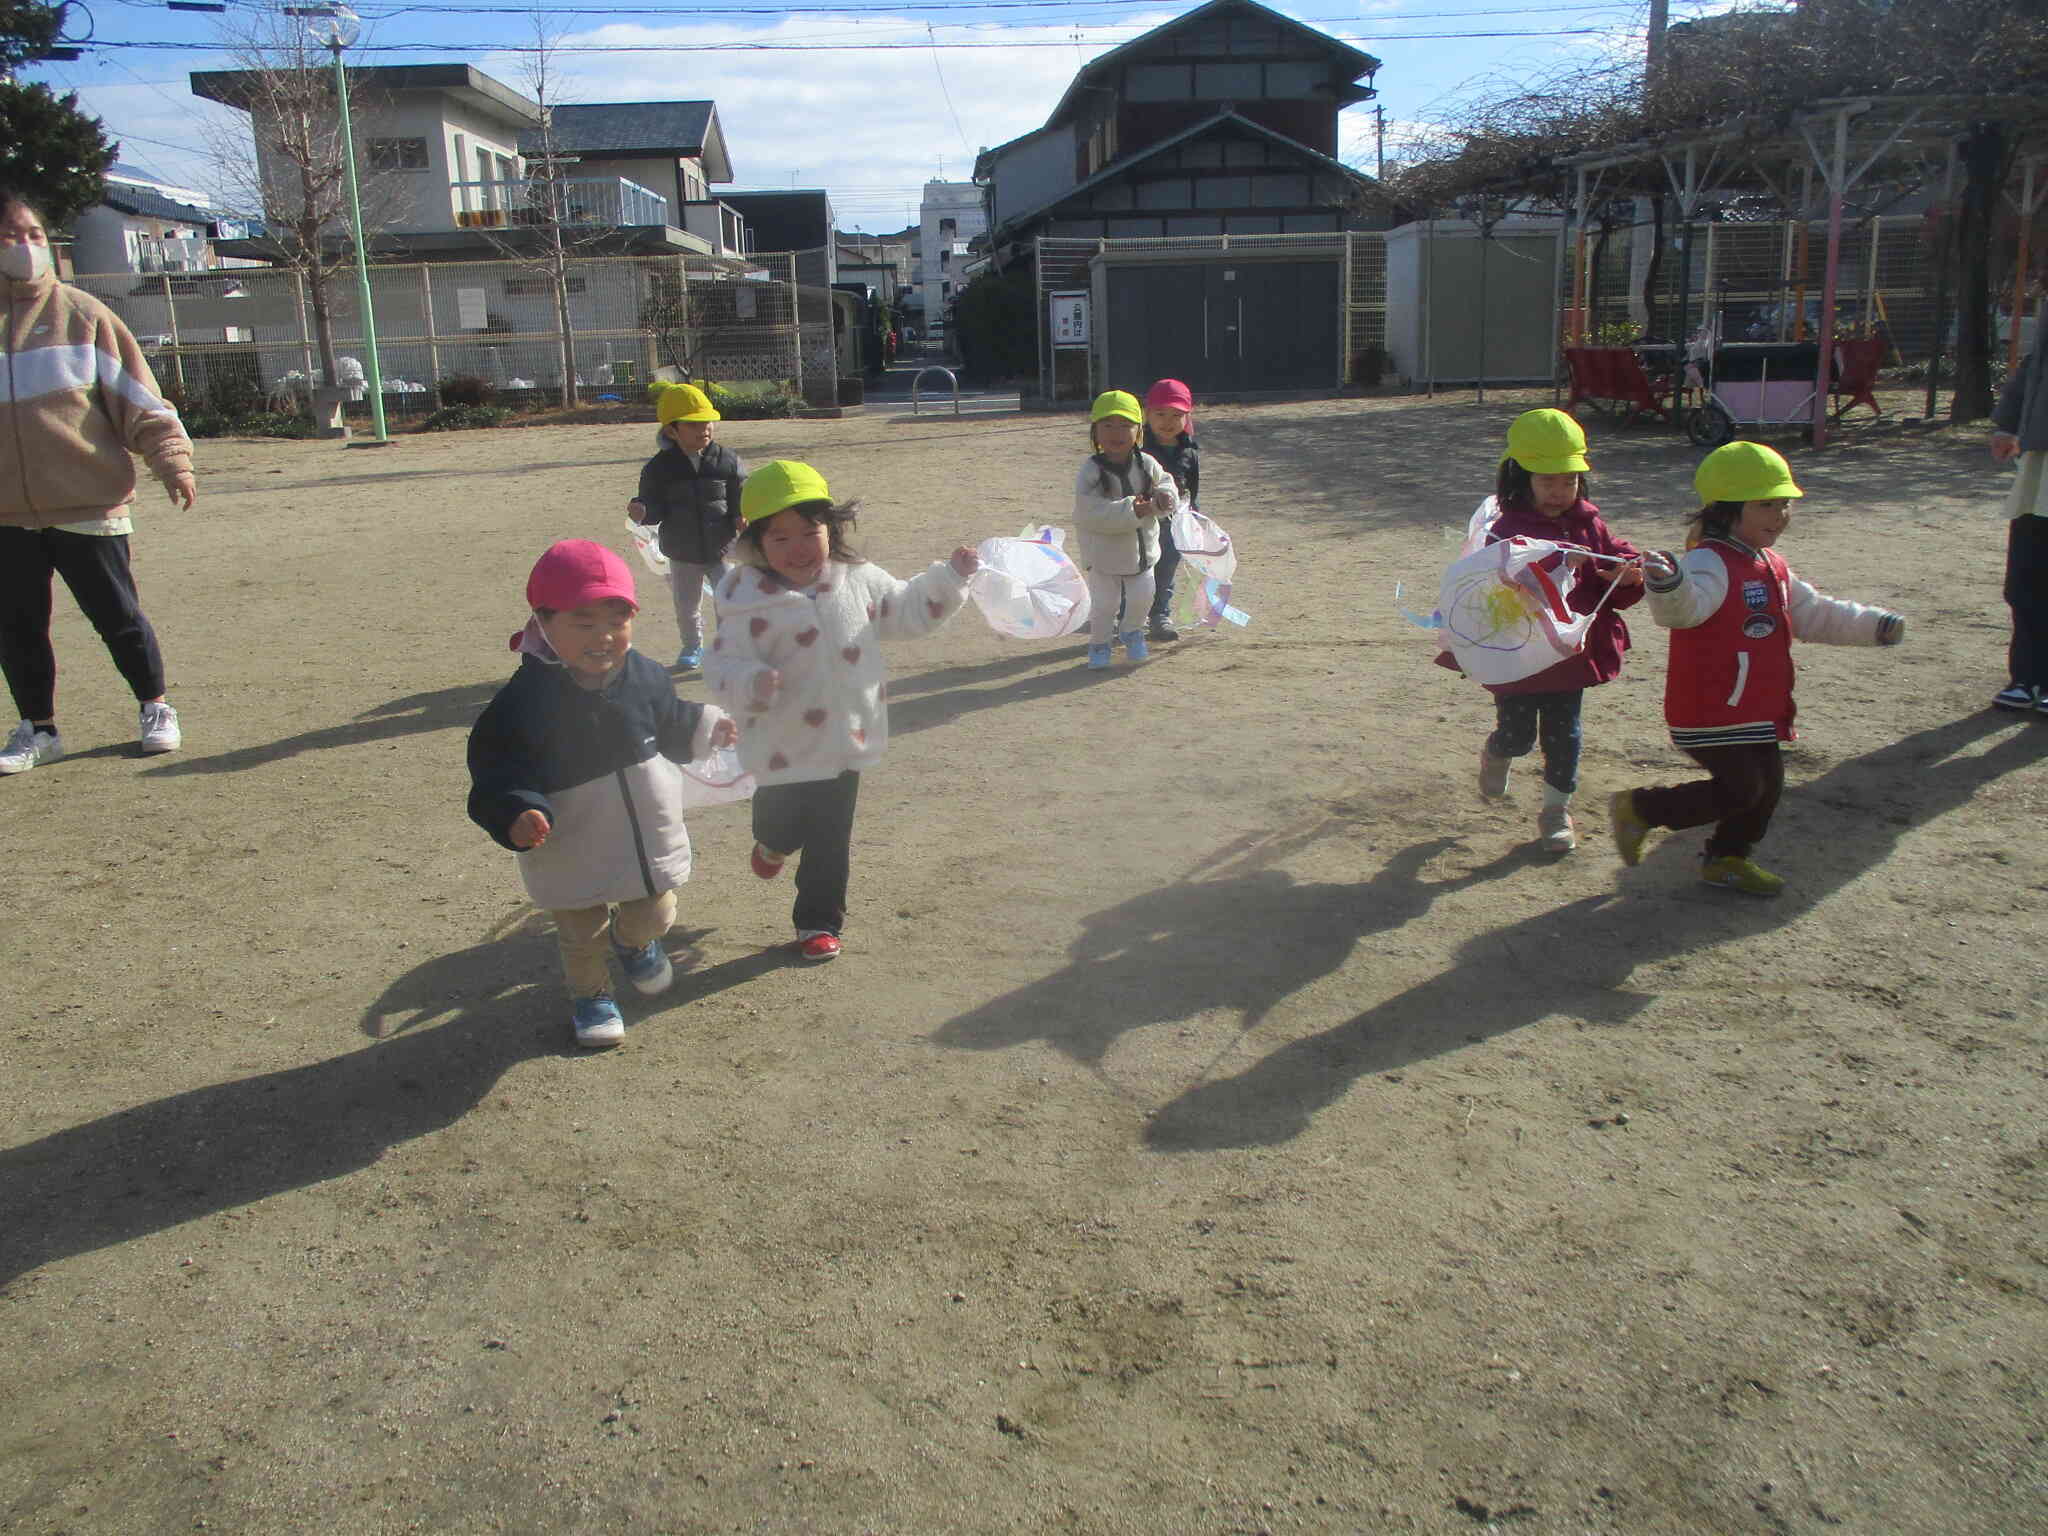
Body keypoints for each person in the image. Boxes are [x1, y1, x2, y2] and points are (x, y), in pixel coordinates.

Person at [706, 460, 978, 961]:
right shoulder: (743, 599)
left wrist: (949, 577)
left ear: (831, 527)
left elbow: (907, 611)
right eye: (780, 539)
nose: (799, 549)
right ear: (754, 541)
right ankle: (771, 845)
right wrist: (750, 681)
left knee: (831, 836)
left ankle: (818, 921)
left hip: (844, 737)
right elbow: (720, 663)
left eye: (810, 532)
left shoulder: (857, 578)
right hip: (781, 744)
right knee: (782, 825)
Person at [467, 539, 735, 1048]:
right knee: (580, 935)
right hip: (569, 842)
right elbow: (496, 772)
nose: (604, 636)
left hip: (642, 838)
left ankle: (632, 942)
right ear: (543, 624)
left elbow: (672, 722)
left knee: (657, 912)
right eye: (583, 623)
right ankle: (591, 997)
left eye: (617, 620)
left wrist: (707, 727)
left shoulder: (645, 675)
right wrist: (516, 811)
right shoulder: (522, 704)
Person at [1610, 442, 1906, 896]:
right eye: (1765, 504)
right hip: (1710, 705)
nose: (1780, 514)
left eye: (1784, 503)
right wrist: (1668, 584)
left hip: (1759, 705)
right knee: (1742, 788)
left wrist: (1873, 626)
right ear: (1727, 508)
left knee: (1767, 789)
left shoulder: (1771, 564)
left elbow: (1814, 613)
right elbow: (1682, 612)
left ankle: (1727, 858)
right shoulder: (1709, 560)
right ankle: (1643, 809)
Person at [0, 186, 197, 775]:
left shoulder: (84, 315)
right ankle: (39, 728)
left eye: (35, 235)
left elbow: (139, 400)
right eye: (12, 236)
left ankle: (155, 706)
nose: (26, 247)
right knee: (18, 627)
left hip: (90, 502)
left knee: (117, 615)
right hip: (6, 513)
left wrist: (172, 459)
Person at [1469, 409, 1645, 854]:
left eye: (1568, 480)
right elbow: (1501, 582)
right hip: (1521, 653)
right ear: (1521, 478)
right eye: (1547, 481)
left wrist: (1627, 571)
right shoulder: (1506, 530)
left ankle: (1555, 812)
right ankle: (1498, 751)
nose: (1559, 491)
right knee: (1519, 733)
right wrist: (1559, 562)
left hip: (1570, 652)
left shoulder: (1590, 523)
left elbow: (1614, 553)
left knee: (1564, 733)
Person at [627, 381, 744, 672]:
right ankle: (692, 646)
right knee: (686, 606)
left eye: (707, 422)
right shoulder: (658, 468)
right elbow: (654, 508)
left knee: (727, 600)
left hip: (720, 546)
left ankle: (729, 647)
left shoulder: (727, 460)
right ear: (671, 431)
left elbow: (740, 493)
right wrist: (642, 511)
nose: (704, 429)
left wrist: (741, 515)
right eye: (694, 425)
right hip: (681, 550)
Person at [1072, 390, 1180, 670]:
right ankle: (1099, 643)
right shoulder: (1091, 470)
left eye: (1125, 425)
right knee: (1105, 606)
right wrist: (1134, 510)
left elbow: (1166, 484)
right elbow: (1088, 513)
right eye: (1107, 425)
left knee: (1143, 600)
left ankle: (1131, 632)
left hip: (1143, 554)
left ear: (1139, 432)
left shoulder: (1147, 463)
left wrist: (1166, 498)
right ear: (1095, 432)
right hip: (1104, 558)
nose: (1116, 433)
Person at [1989, 279, 2047, 715]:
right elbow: (2034, 365)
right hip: (2040, 465)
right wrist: (2008, 422)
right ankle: (2027, 677)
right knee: (2025, 577)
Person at [1139, 378, 1199, 643]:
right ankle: (1126, 614)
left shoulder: (1189, 451)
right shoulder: (1138, 449)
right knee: (1138, 570)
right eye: (1160, 414)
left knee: (1166, 571)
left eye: (1177, 415)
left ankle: (1160, 616)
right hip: (1142, 523)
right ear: (1146, 414)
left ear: (1187, 417)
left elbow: (1192, 490)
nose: (1167, 421)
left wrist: (1194, 517)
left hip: (1174, 525)